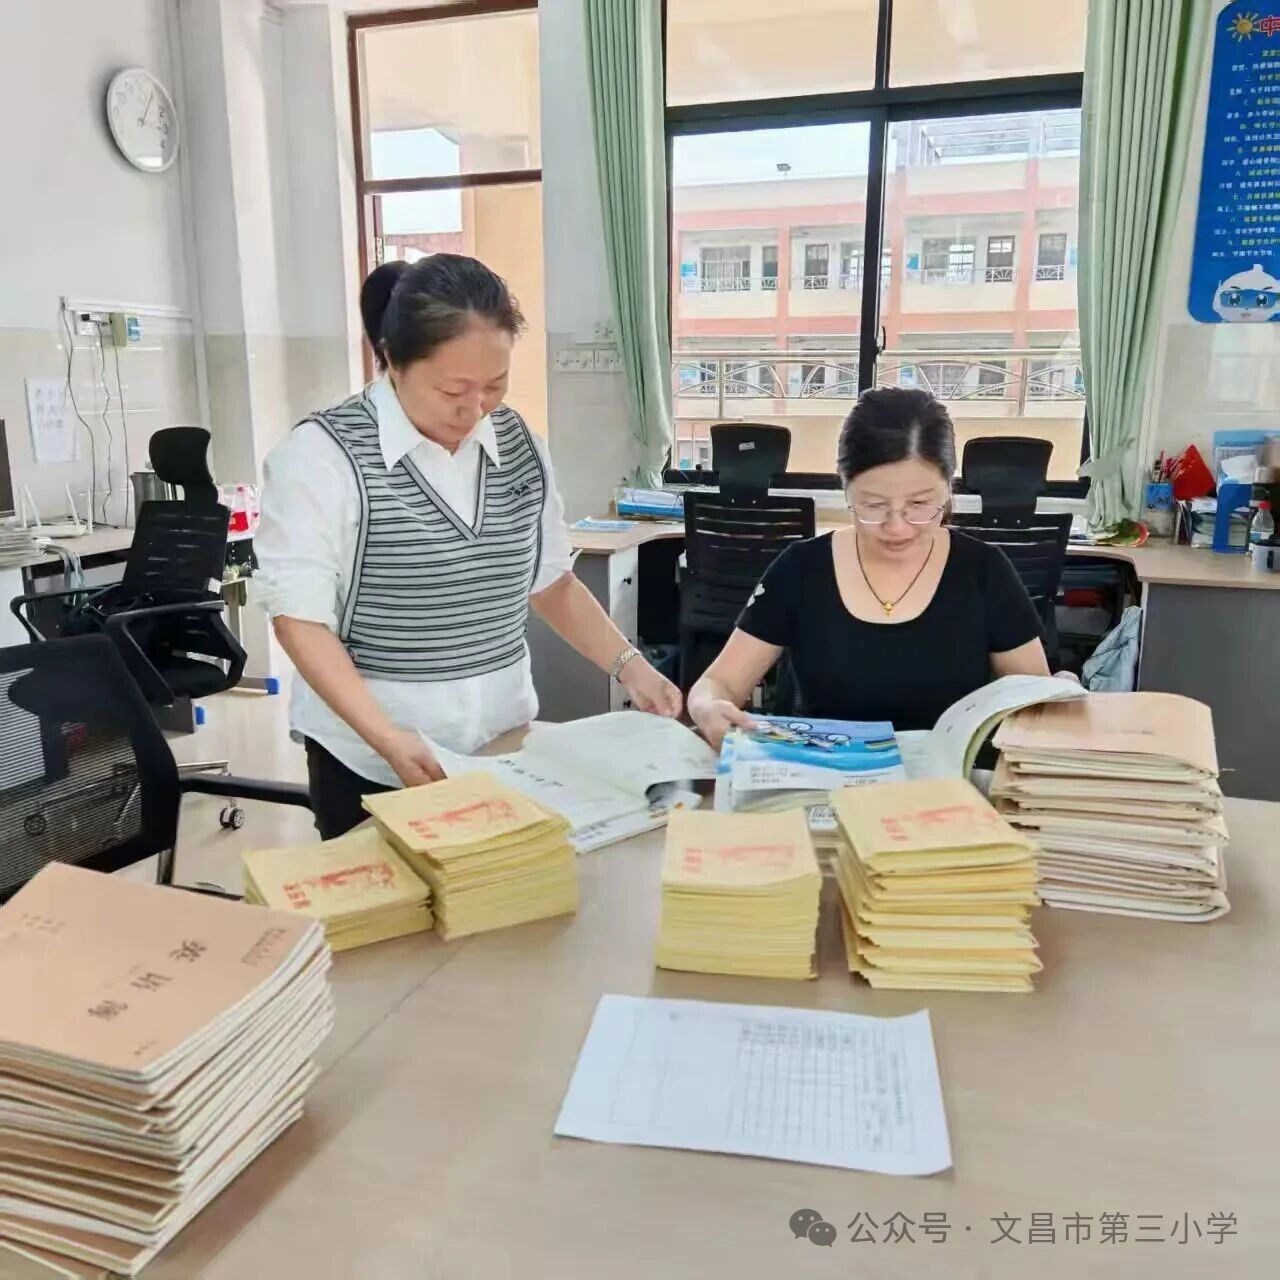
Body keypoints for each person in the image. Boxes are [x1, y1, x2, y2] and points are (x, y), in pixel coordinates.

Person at [257, 255, 681, 838]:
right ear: (392, 360)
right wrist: (387, 738)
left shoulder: (521, 446)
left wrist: (630, 666)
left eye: (495, 386)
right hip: (375, 759)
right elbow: (300, 621)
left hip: (503, 744)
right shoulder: (320, 457)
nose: (475, 409)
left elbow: (551, 583)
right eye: (452, 389)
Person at [688, 388, 1051, 749]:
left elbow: (1035, 702)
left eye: (920, 504)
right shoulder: (801, 569)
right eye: (874, 505)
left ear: (948, 489)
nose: (897, 527)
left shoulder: (984, 570)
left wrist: (1058, 698)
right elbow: (719, 683)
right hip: (823, 774)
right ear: (845, 489)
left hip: (951, 780)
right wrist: (707, 707)